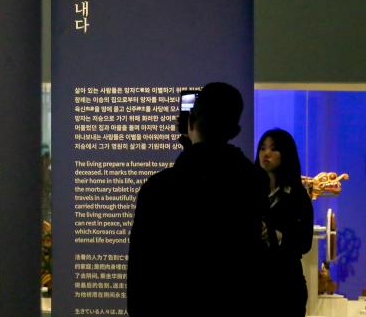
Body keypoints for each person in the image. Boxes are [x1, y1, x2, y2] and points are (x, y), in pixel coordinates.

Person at [127, 82, 270, 316]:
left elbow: (141, 272)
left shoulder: (159, 188)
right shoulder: (253, 184)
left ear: (190, 122)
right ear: (234, 131)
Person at [256, 129, 313, 317]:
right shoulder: (250, 191)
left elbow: (305, 242)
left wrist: (277, 235)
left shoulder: (298, 195)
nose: (266, 154)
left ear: (285, 153)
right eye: (263, 148)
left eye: (273, 149)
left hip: (287, 283)